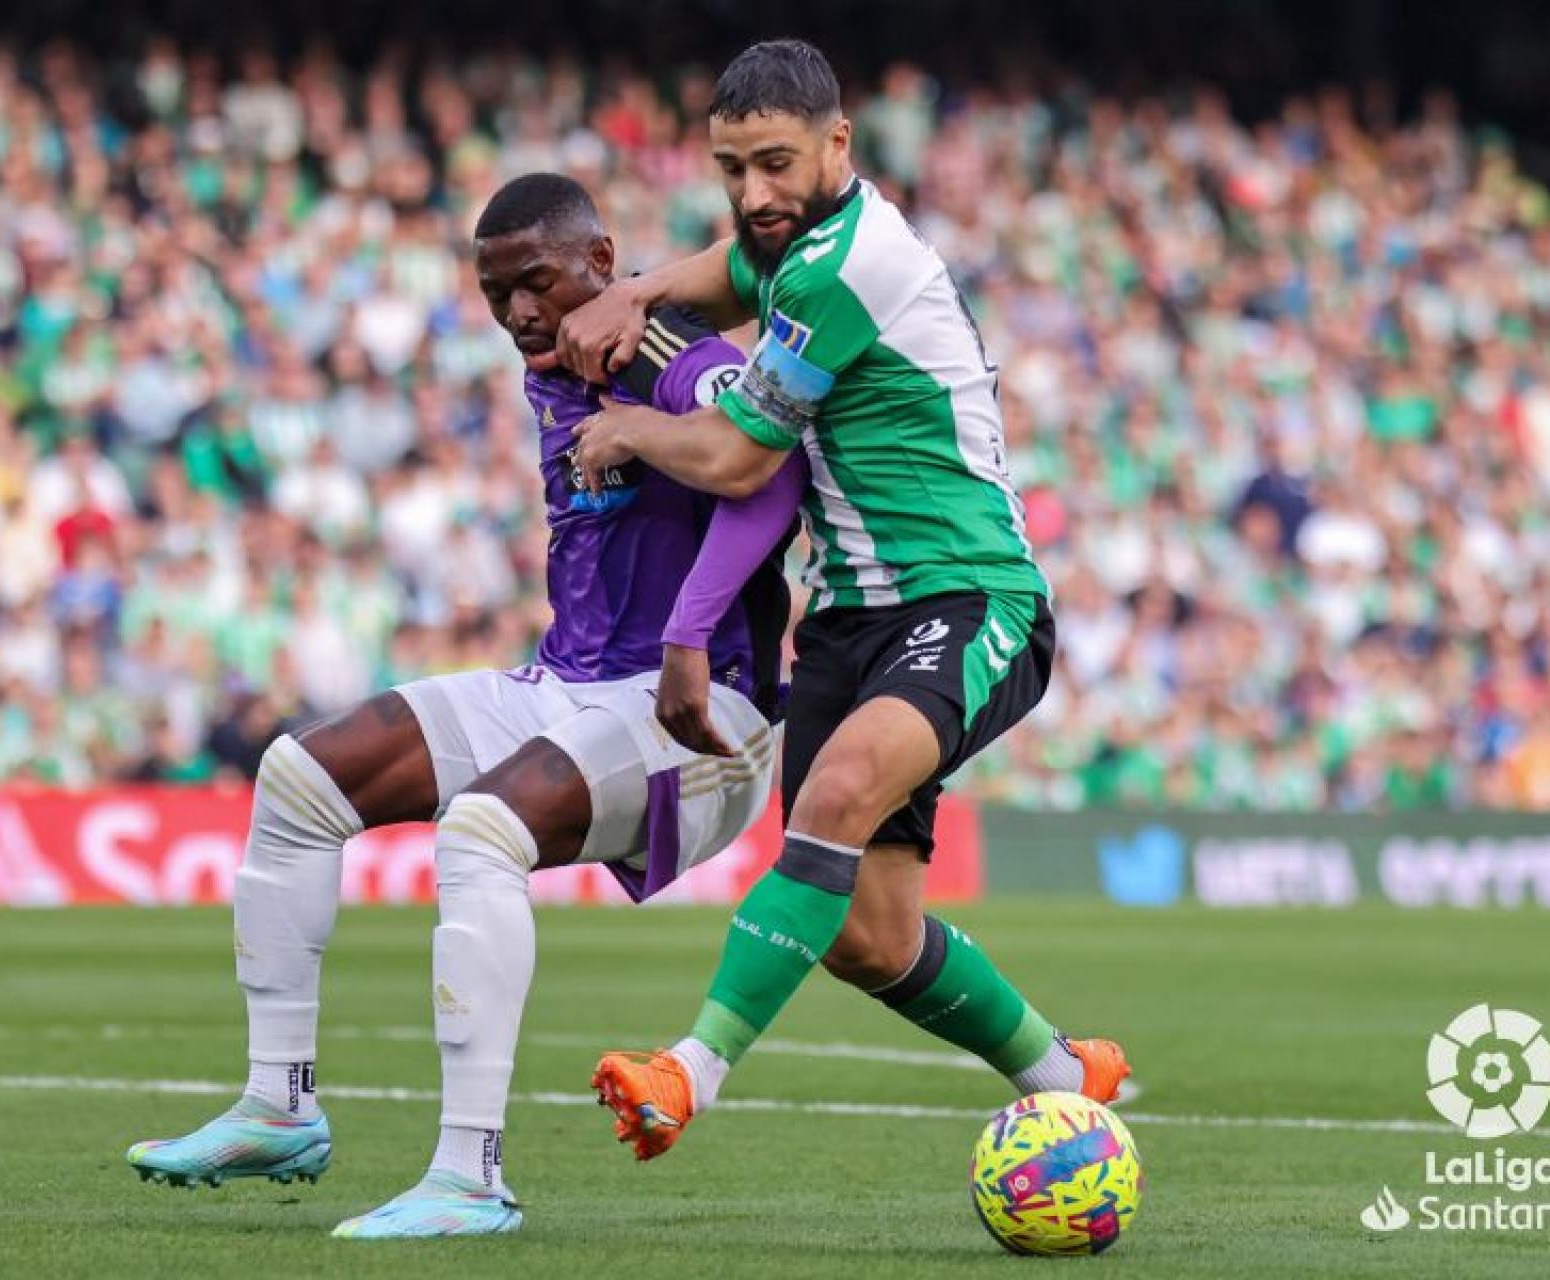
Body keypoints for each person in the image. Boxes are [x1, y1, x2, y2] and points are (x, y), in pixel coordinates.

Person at [124, 172, 805, 1236]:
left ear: (600, 261)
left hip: (705, 709)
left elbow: (769, 471)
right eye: (496, 295)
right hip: (571, 684)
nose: (520, 312)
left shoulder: (664, 347)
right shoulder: (560, 357)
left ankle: (469, 1174)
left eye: (537, 282)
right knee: (300, 777)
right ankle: (279, 1102)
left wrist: (645, 464)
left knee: (482, 829)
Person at [557, 40, 1130, 1162]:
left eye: (775, 164)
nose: (752, 193)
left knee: (838, 791)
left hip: (967, 595)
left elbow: (735, 459)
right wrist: (637, 289)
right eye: (732, 169)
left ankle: (688, 1070)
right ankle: (1068, 1076)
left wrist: (627, 426)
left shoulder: (849, 263)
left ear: (838, 144)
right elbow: (736, 269)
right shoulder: (793, 243)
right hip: (845, 620)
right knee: (868, 937)